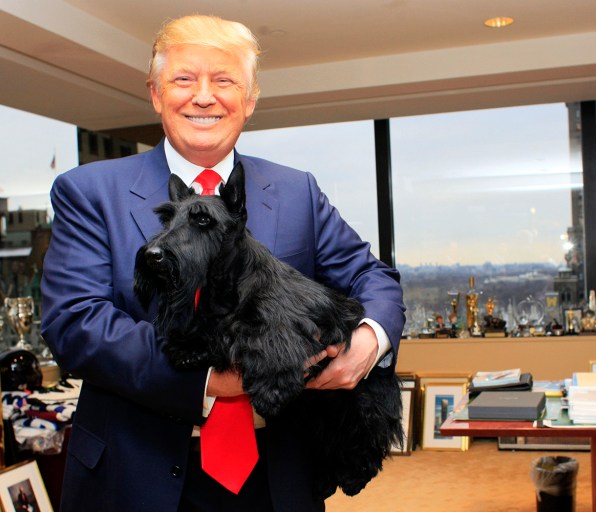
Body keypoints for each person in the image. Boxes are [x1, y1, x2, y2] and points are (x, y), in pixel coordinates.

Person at [40, 14, 405, 512]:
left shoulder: (297, 191)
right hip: (133, 474)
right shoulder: (88, 192)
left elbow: (372, 276)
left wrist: (367, 344)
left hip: (277, 475)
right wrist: (213, 379)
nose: (204, 96)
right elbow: (76, 323)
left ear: (249, 100)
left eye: (225, 80)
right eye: (184, 79)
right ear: (155, 93)